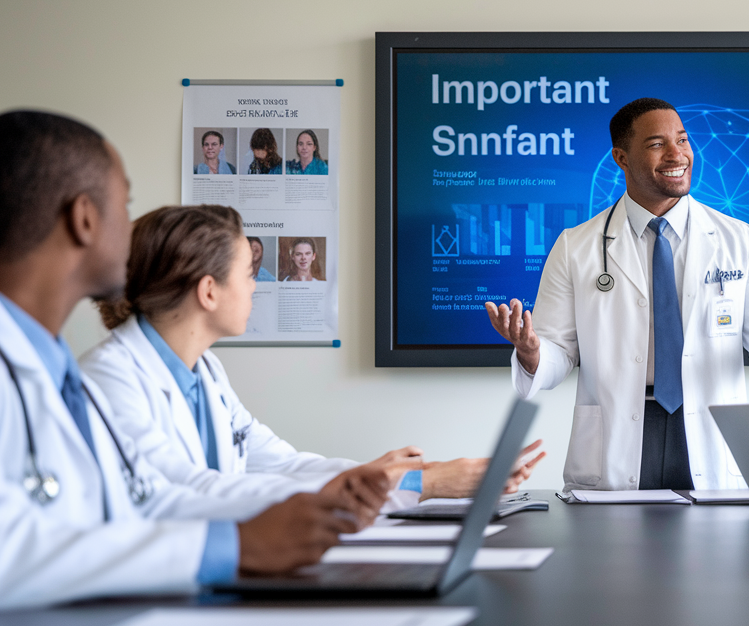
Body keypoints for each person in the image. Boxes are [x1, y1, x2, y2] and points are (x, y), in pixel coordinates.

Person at [0, 110, 410, 610]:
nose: (132, 232)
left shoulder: (61, 374)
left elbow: (149, 495)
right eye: (123, 207)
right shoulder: (96, 375)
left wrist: (327, 501)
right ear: (84, 219)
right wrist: (232, 545)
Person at [485, 98, 749, 491]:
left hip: (711, 429)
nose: (676, 154)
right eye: (656, 144)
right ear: (621, 157)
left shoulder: (738, 240)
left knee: (712, 551)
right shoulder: (575, 246)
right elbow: (558, 353)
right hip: (619, 431)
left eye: (682, 140)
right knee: (609, 551)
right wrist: (532, 354)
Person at [80, 203, 543, 506]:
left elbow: (282, 462)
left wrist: (405, 474)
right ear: (208, 292)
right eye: (248, 273)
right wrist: (422, 484)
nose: (257, 286)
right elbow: (194, 493)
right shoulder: (110, 380)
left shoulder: (204, 372)